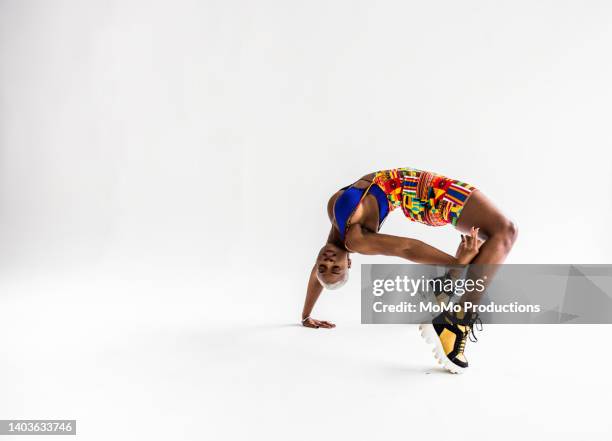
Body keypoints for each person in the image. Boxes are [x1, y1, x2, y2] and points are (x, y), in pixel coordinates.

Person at [301, 167, 518, 373]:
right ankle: (457, 322)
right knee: (505, 232)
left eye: (323, 265)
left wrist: (306, 316)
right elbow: (407, 248)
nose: (329, 262)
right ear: (348, 263)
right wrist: (458, 262)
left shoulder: (335, 222)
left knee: (502, 233)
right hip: (424, 195)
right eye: (335, 268)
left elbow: (317, 276)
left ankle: (443, 289)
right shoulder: (355, 241)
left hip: (415, 185)